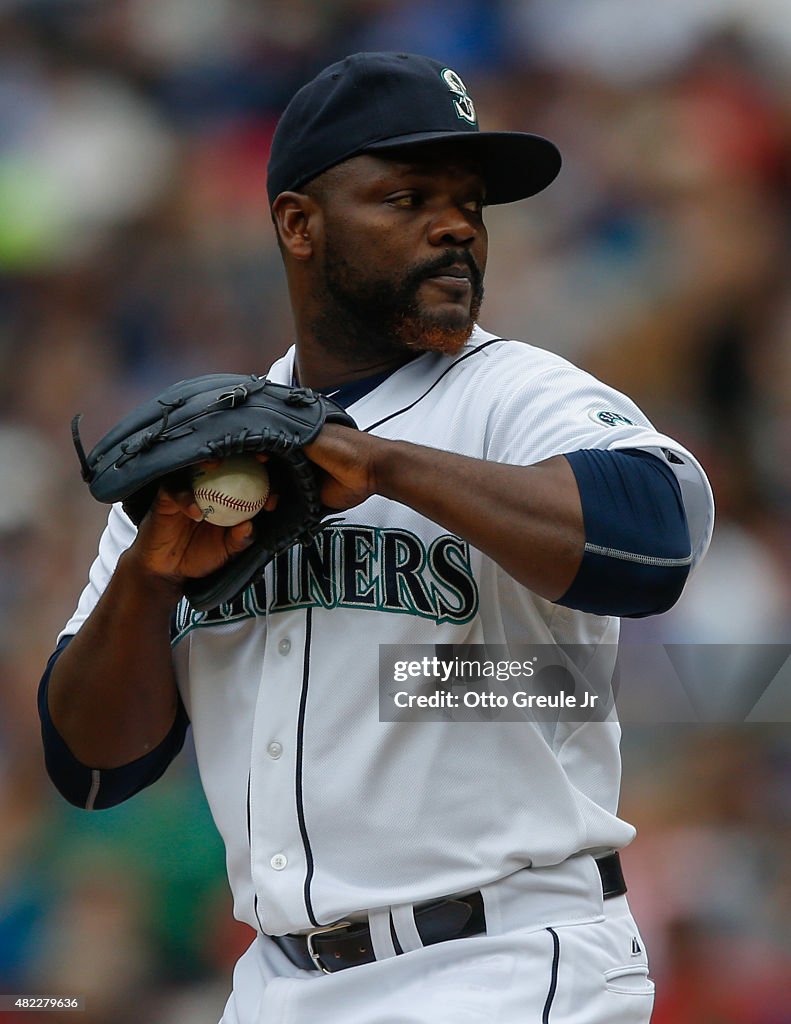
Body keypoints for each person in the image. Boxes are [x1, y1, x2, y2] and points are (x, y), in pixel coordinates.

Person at [39, 52, 714, 1023]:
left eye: (467, 204)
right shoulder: (194, 457)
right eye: (405, 197)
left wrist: (386, 464)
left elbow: (653, 542)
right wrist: (148, 582)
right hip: (278, 983)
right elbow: (93, 765)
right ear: (297, 224)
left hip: (508, 963)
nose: (453, 226)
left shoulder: (515, 393)